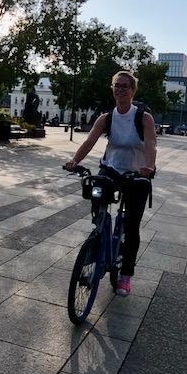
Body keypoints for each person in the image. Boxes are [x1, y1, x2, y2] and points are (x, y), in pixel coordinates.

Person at [63, 69, 156, 297]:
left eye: (125, 86)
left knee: (132, 226)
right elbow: (89, 141)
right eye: (117, 85)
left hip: (137, 174)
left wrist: (149, 168)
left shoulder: (143, 117)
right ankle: (100, 235)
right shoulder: (107, 118)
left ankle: (125, 275)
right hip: (112, 169)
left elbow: (151, 144)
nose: (121, 89)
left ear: (133, 91)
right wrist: (75, 161)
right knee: (97, 197)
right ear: (112, 88)